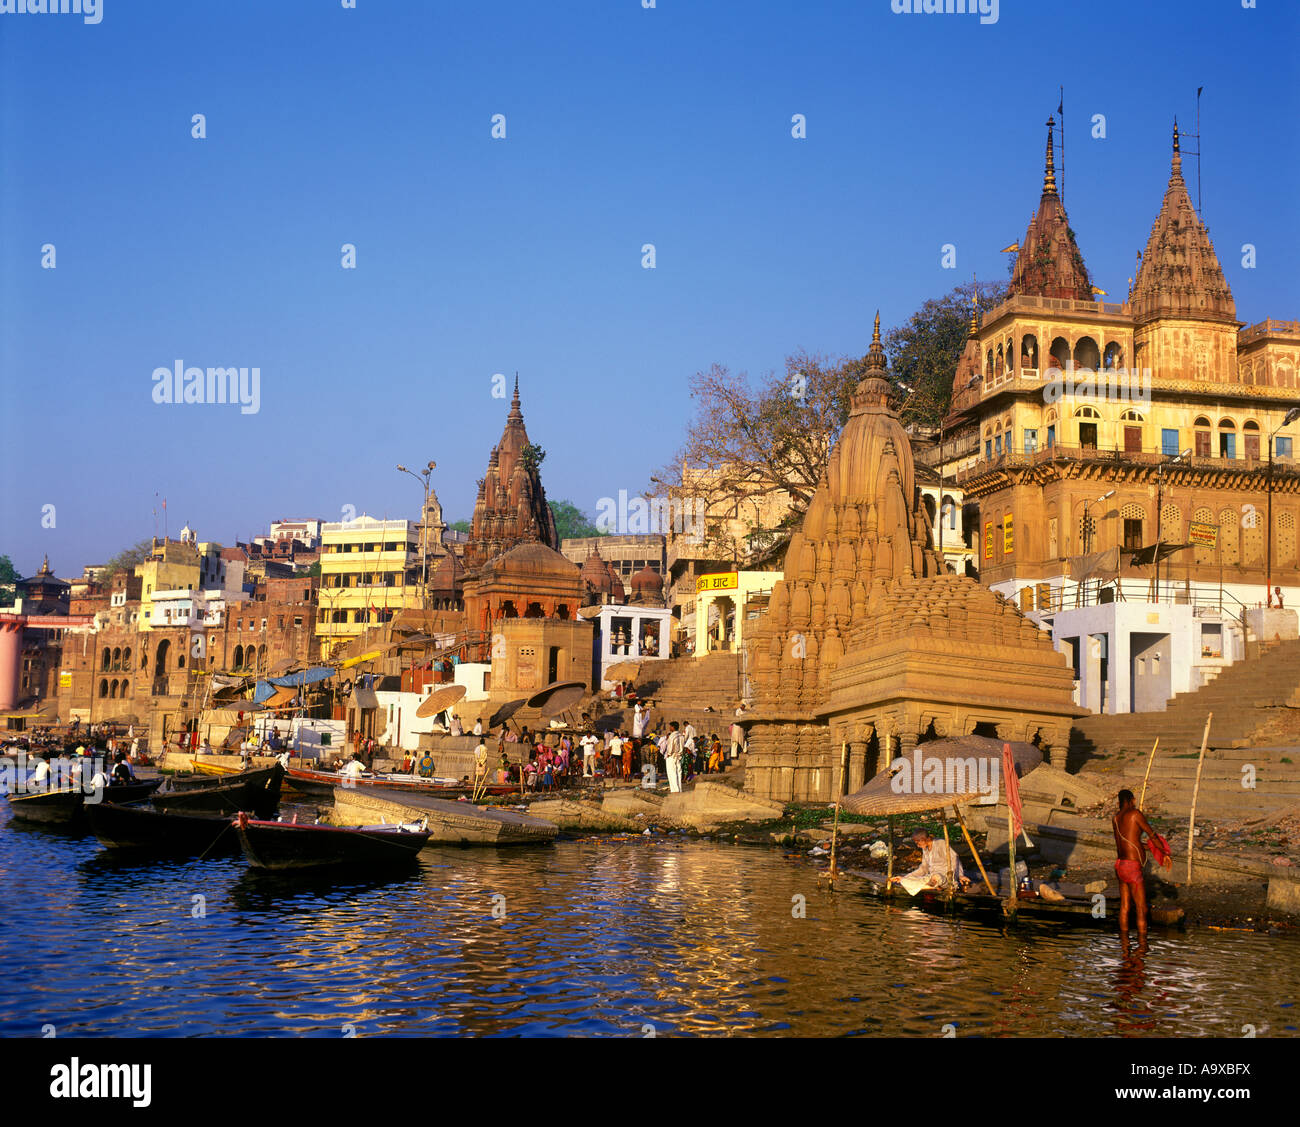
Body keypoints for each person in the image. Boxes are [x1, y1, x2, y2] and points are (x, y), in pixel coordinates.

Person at [1113, 788, 1162, 936]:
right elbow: (1152, 835)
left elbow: (1132, 843)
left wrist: (1152, 849)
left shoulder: (1115, 818)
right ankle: (1142, 948)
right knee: (1142, 909)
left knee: (1125, 907)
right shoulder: (1135, 814)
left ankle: (1125, 949)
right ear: (1131, 800)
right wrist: (1164, 851)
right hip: (1131, 867)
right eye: (1134, 800)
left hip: (1120, 865)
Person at [890, 828, 969, 891]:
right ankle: (929, 886)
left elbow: (955, 858)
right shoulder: (925, 849)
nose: (918, 846)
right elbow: (923, 868)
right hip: (931, 878)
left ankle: (930, 885)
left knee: (936, 877)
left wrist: (960, 875)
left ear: (926, 839)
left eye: (919, 843)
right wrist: (905, 878)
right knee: (906, 880)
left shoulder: (940, 843)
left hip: (944, 878)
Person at [663, 721, 686, 793]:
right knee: (678, 773)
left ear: (673, 727)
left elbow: (670, 747)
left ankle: (675, 790)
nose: (670, 728)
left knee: (672, 773)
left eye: (670, 726)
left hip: (672, 756)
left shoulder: (672, 736)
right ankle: (679, 789)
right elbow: (682, 746)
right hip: (678, 756)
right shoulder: (681, 735)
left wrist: (668, 754)